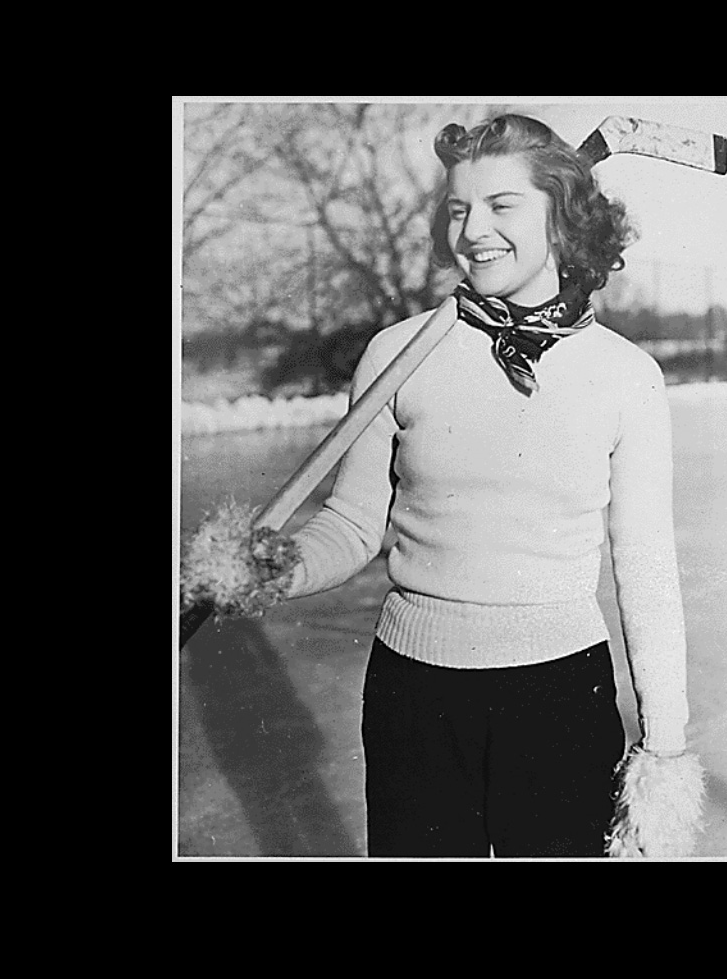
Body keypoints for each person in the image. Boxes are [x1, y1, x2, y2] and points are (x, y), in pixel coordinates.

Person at [275, 113, 691, 858]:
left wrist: (664, 740)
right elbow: (351, 521)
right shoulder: (397, 354)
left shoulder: (627, 376)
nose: (473, 231)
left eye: (503, 206)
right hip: (416, 696)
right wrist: (273, 569)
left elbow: (647, 566)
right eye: (460, 208)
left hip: (562, 698)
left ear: (563, 219)